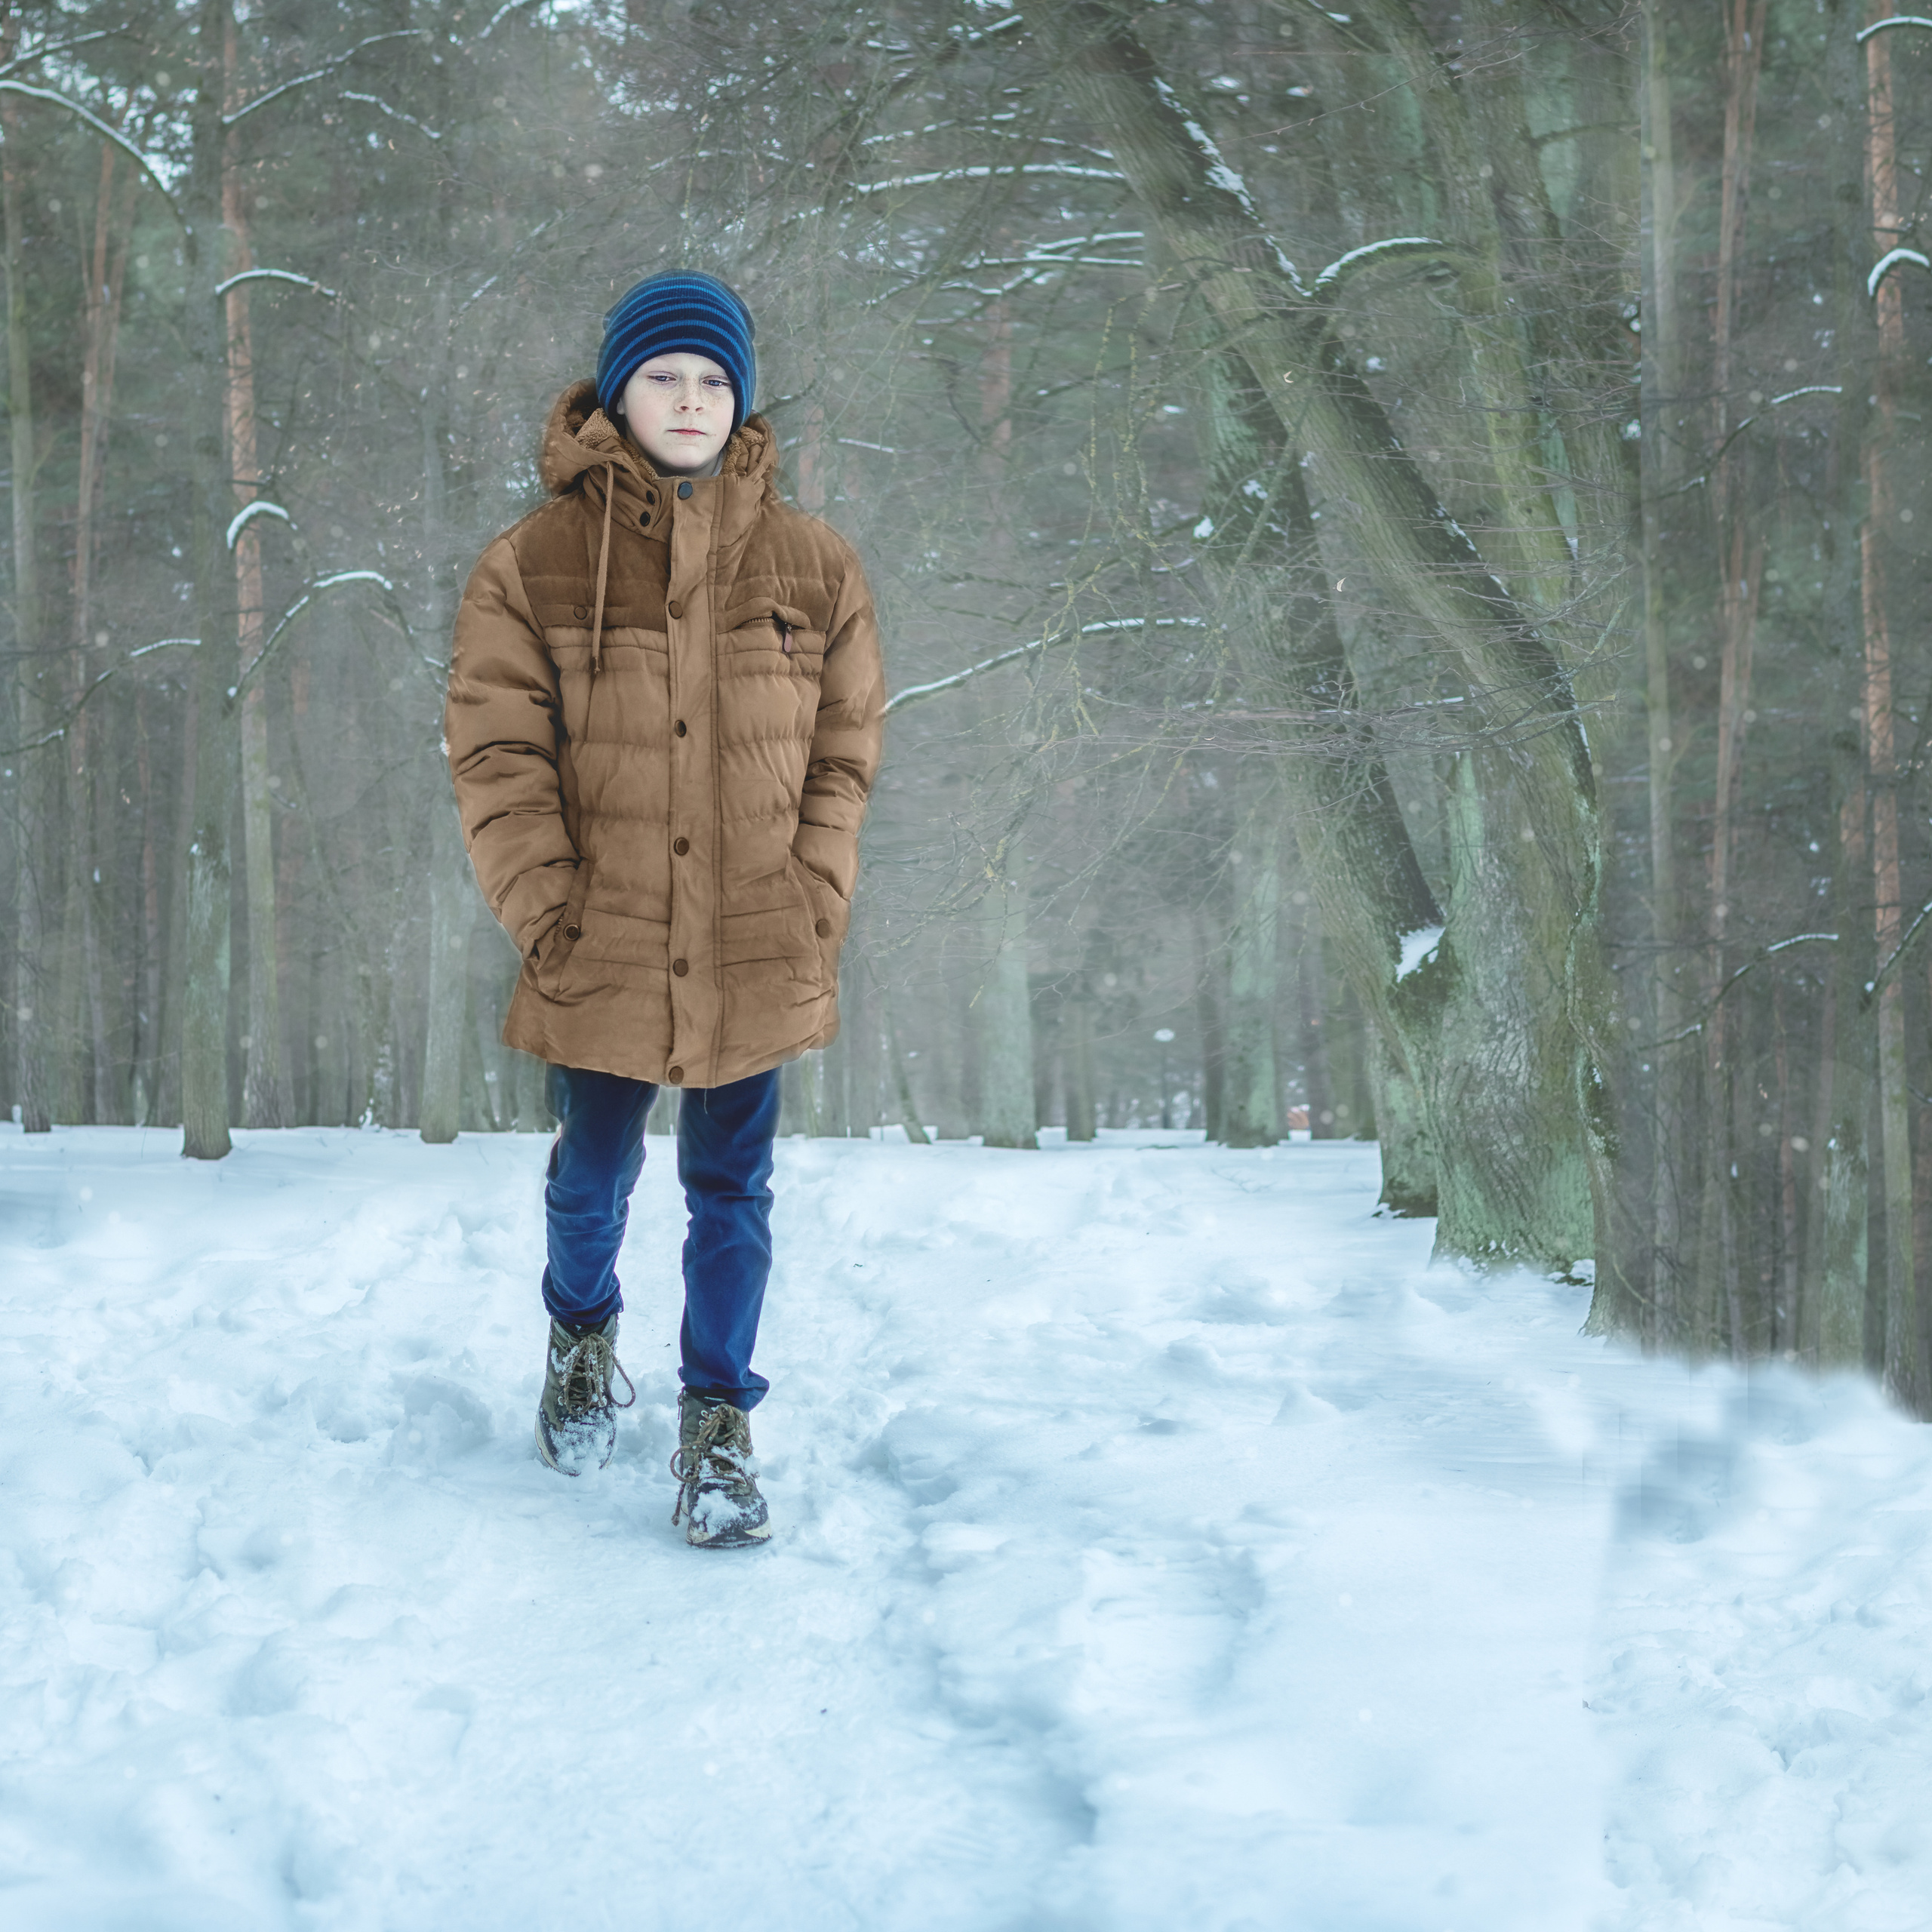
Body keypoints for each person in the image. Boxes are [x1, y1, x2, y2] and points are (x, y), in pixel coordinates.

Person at [444, 270, 884, 1546]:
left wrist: (809, 901)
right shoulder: (533, 564)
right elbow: (497, 758)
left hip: (755, 937)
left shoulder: (814, 567)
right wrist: (552, 917)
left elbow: (844, 757)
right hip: (608, 938)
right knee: (591, 1181)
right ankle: (580, 1336)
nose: (689, 400)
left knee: (730, 1189)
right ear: (618, 393)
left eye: (712, 379)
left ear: (739, 399)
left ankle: (717, 1429)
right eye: (663, 377)